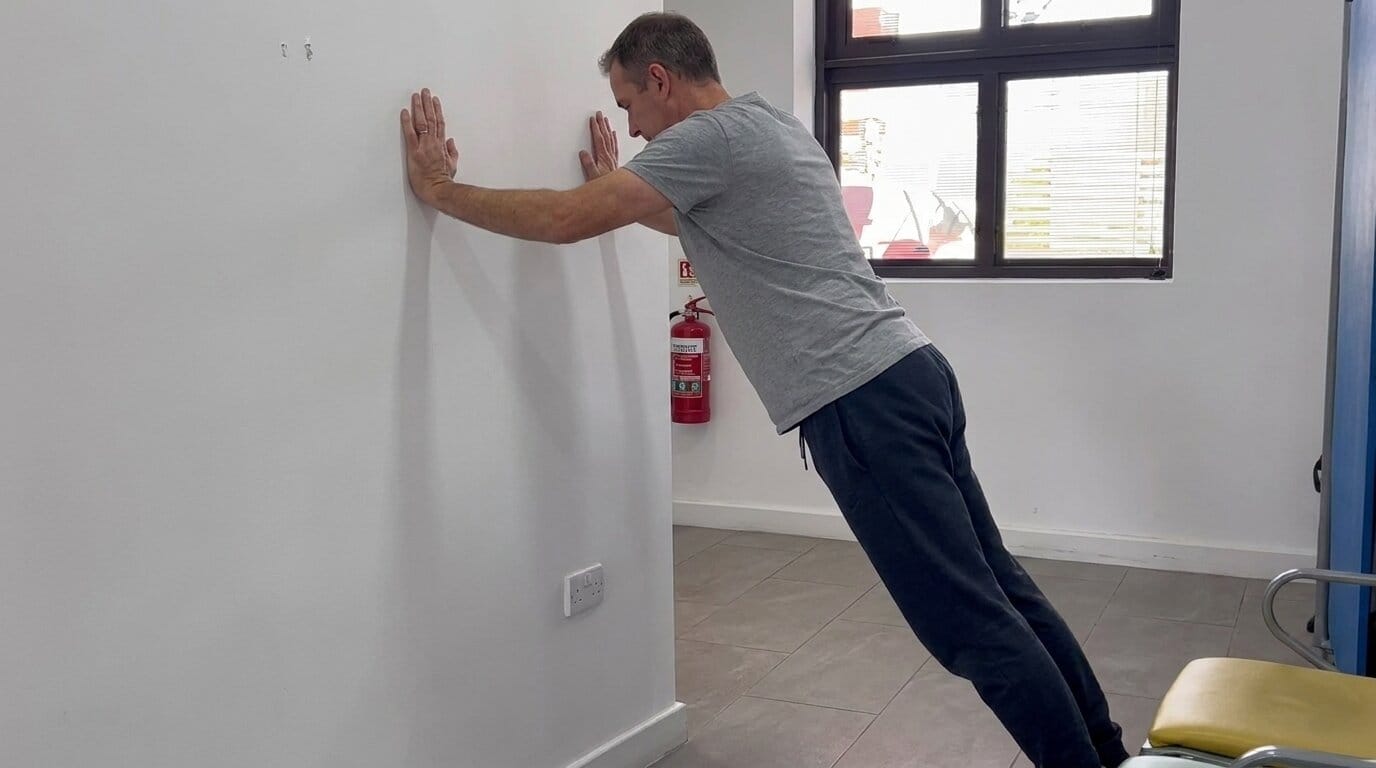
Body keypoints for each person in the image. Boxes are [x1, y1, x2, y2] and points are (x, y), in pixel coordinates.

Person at [400, 12, 1131, 768]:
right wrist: (623, 195)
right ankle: (1107, 756)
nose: (635, 127)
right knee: (1001, 590)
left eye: (629, 106)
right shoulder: (767, 127)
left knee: (969, 624)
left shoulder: (702, 141)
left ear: (659, 79)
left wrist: (443, 189)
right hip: (911, 372)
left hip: (862, 399)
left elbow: (559, 222)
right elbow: (721, 235)